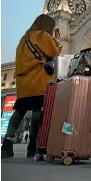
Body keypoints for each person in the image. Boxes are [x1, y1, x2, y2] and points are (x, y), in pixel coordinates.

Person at [1, 14, 61, 159]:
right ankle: (32, 146)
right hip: (38, 79)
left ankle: (7, 145)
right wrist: (57, 42)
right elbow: (53, 52)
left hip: (23, 81)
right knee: (38, 111)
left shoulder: (24, 38)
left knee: (19, 111)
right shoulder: (42, 35)